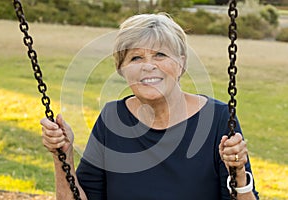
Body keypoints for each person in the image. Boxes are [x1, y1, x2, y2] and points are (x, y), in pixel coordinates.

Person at [41, 13, 259, 200]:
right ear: (122, 69)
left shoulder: (216, 118)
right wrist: (64, 156)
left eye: (160, 55)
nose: (148, 66)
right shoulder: (112, 118)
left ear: (181, 62)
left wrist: (238, 171)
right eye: (136, 57)